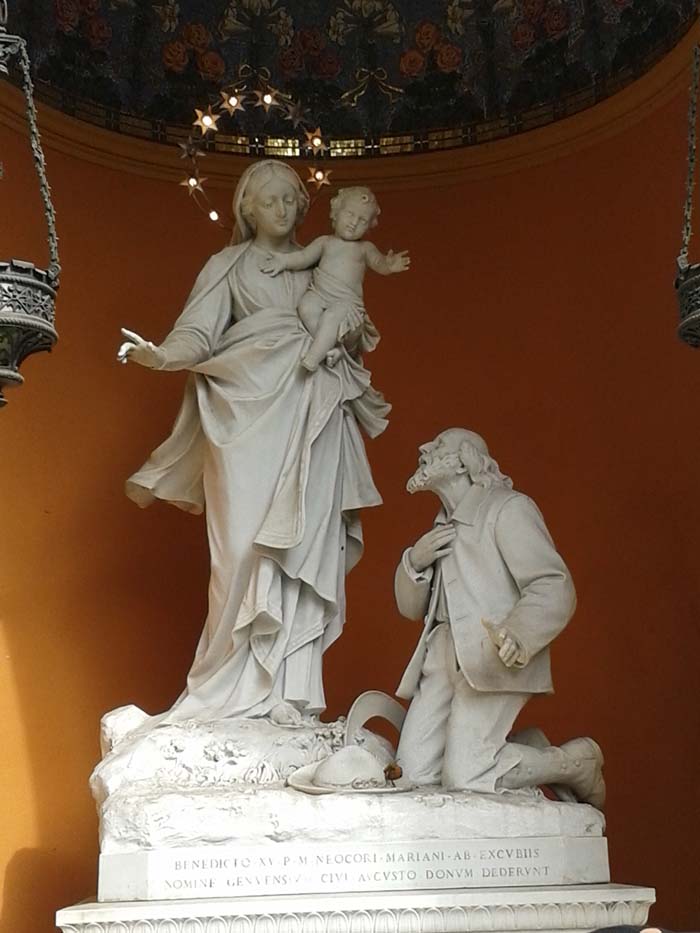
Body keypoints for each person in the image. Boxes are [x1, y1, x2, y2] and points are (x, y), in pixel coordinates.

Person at [116, 160, 390, 727]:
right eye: (269, 201)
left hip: (313, 415)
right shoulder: (228, 265)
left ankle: (289, 695)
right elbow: (197, 333)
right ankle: (221, 688)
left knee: (303, 548)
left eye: (290, 199)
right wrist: (159, 356)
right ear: (248, 209)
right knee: (240, 551)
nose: (282, 210)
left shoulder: (323, 261)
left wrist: (348, 330)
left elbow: (350, 325)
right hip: (243, 415)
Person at [394, 428, 605, 808]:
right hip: (440, 658)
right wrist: (413, 563)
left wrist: (519, 633)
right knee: (412, 776)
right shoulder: (441, 527)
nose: (424, 448)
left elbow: (552, 584)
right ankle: (519, 750)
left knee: (466, 777)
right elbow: (411, 610)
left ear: (464, 461)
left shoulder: (507, 509)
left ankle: (574, 764)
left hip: (493, 655)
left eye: (439, 445)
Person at [261, 186, 409, 372]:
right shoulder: (325, 242)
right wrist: (283, 261)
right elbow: (303, 257)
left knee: (331, 317)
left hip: (346, 303)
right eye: (350, 214)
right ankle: (333, 349)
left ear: (369, 226)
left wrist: (389, 265)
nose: (354, 223)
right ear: (336, 213)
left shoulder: (364, 248)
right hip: (319, 294)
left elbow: (379, 263)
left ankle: (313, 358)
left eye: (362, 220)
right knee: (306, 307)